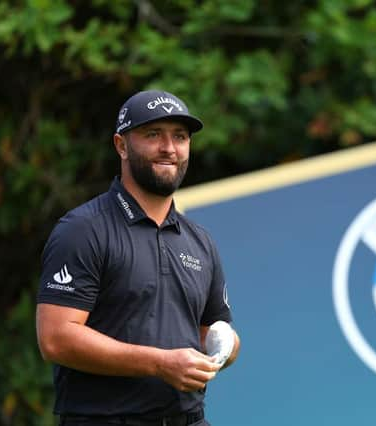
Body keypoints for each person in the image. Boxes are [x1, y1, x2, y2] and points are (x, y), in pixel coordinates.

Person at [36, 90, 240, 426]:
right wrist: (161, 363)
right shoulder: (83, 230)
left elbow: (209, 331)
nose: (169, 148)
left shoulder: (199, 241)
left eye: (180, 137)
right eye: (153, 135)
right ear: (121, 145)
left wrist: (225, 346)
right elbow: (56, 339)